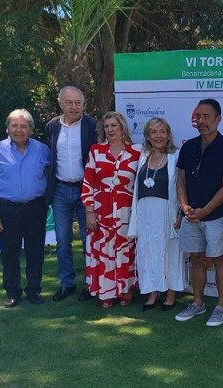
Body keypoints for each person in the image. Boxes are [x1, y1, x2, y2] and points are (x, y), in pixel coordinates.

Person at [174, 98, 223, 325]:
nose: (201, 121)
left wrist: (205, 211)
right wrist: (184, 206)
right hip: (190, 215)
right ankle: (198, 303)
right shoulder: (189, 146)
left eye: (206, 116)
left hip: (216, 216)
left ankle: (221, 306)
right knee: (196, 258)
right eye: (198, 116)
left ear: (218, 119)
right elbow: (180, 179)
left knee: (218, 259)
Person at [0, 109, 50, 307]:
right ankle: (12, 291)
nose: (18, 130)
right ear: (7, 128)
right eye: (14, 125)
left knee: (35, 251)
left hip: (35, 209)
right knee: (10, 253)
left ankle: (34, 290)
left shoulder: (43, 150)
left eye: (23, 126)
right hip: (6, 210)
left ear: (31, 129)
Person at [81, 111, 141, 308]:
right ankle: (105, 293)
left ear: (122, 127)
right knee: (103, 252)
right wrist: (90, 211)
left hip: (127, 214)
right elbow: (88, 184)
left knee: (126, 252)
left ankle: (125, 290)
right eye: (106, 126)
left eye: (114, 125)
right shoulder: (96, 151)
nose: (110, 129)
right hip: (101, 213)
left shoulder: (136, 153)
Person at [45, 86, 97, 302]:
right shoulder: (52, 126)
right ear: (60, 104)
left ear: (83, 104)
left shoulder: (93, 125)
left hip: (86, 190)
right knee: (63, 239)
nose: (74, 106)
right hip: (60, 189)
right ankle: (67, 283)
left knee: (89, 239)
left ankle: (90, 283)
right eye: (69, 102)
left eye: (78, 102)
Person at [127, 118, 184, 312]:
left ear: (168, 135)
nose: (158, 136)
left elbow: (181, 187)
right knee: (148, 253)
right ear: (148, 136)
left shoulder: (176, 156)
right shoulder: (143, 156)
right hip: (146, 215)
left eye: (162, 131)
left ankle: (170, 293)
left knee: (170, 252)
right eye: (153, 132)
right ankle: (152, 291)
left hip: (167, 213)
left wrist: (180, 213)